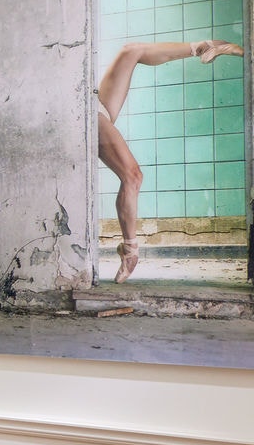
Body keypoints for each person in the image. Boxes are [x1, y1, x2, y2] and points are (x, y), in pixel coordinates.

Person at [96, 40, 244, 280]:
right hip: (84, 112)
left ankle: (206, 46)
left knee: (130, 50)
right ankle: (130, 249)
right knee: (133, 175)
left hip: (93, 101)